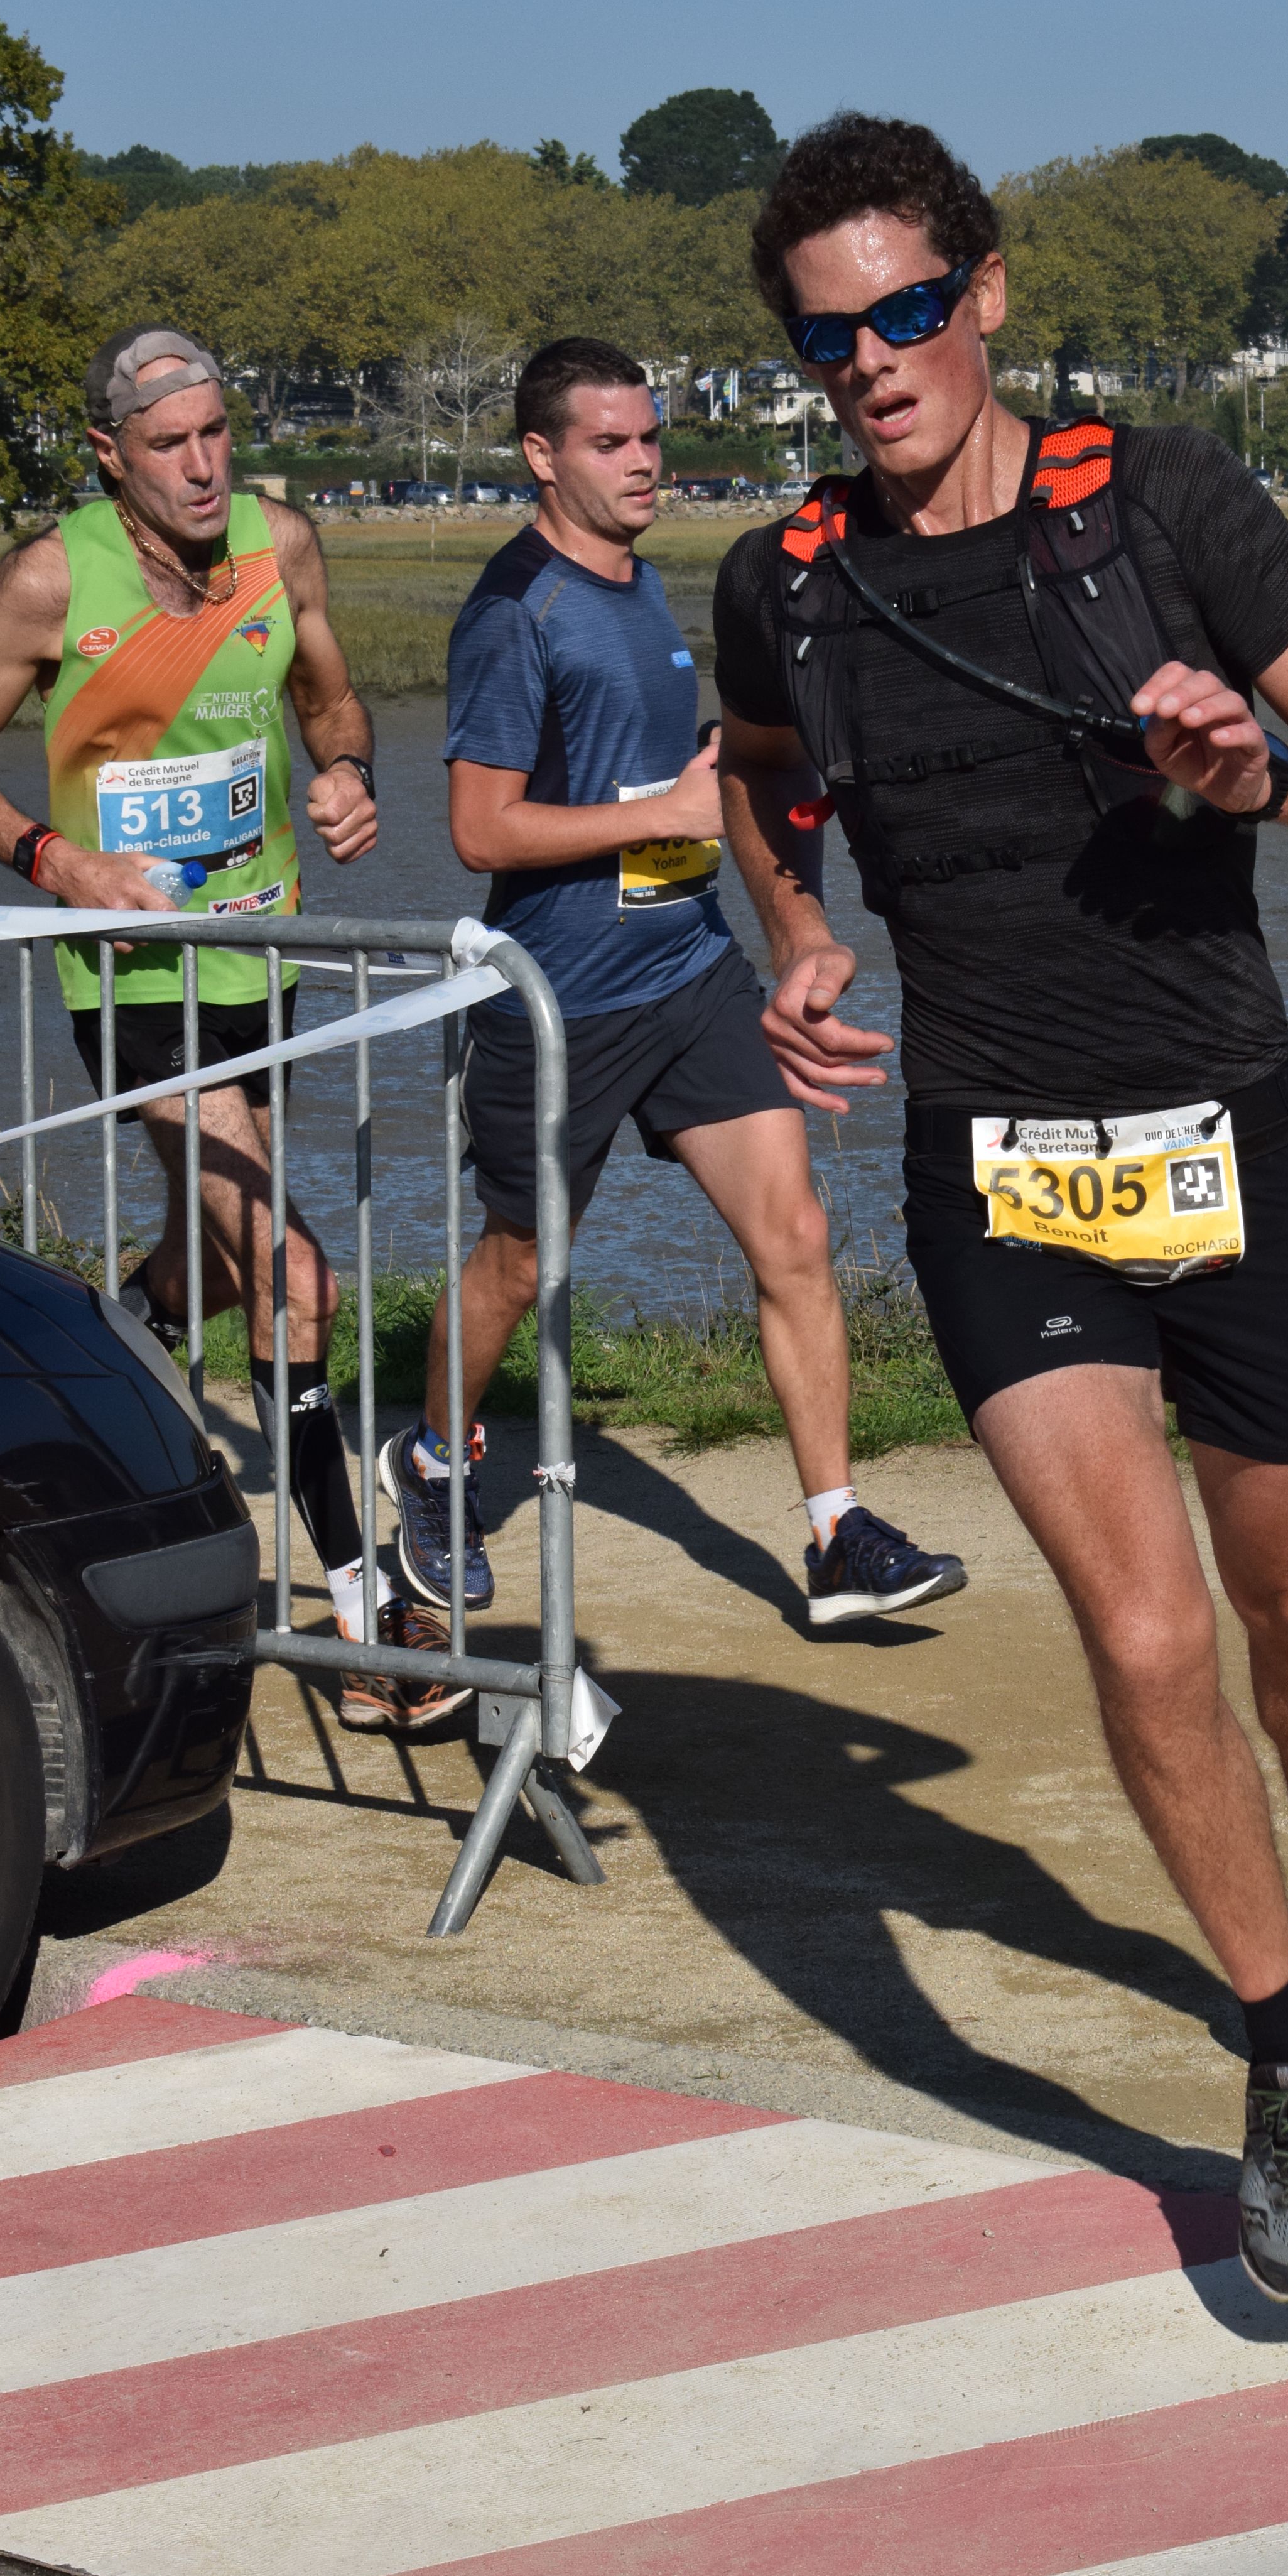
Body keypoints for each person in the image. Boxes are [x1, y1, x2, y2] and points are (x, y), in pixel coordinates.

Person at [712, 116, 1288, 2306]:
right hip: (1002, 1169)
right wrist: (798, 934)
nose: (872, 361)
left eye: (908, 312)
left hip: (1233, 1138)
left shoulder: (1165, 501)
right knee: (1142, 1632)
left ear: (988, 293)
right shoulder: (787, 580)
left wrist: (1258, 769)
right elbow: (758, 768)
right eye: (829, 336)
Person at [379, 335, 966, 1630]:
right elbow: (481, 830)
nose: (645, 462)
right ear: (541, 456)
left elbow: (647, 781)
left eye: (650, 438)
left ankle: (836, 1530)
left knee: (796, 1235)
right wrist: (675, 810)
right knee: (518, 1267)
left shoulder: (642, 585)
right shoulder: (514, 611)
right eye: (611, 444)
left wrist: (709, 784)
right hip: (561, 1001)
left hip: (691, 971)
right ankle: (429, 1460)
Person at [0, 323, 463, 1734]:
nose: (201, 466)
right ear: (109, 454)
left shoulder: (279, 546)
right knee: (292, 1272)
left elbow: (331, 698)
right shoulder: (49, 582)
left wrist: (349, 772)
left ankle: (105, 1350)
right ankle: (368, 1621)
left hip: (260, 959)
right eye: (168, 444)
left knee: (218, 1258)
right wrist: (60, 864)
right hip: (136, 980)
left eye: (216, 434)